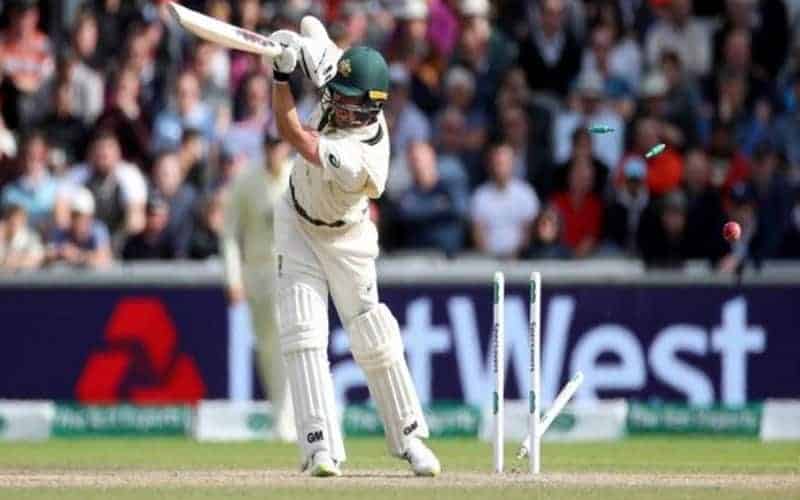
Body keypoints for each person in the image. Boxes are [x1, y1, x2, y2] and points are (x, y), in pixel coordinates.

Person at [266, 24, 440, 477]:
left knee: (372, 333)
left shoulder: (363, 157)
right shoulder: (344, 85)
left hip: (347, 238)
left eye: (349, 101)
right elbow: (313, 29)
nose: (337, 106)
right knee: (303, 332)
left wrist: (281, 77)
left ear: (373, 105)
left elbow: (291, 132)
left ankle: (410, 439)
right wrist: (299, 46)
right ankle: (319, 448)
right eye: (337, 95)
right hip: (296, 223)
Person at [221, 134, 295, 442]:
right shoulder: (245, 180)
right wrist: (233, 278)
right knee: (267, 346)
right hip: (257, 273)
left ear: (286, 147)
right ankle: (280, 415)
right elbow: (229, 233)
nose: (273, 151)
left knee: (288, 338)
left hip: (291, 268)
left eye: (278, 145)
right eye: (269, 145)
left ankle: (288, 420)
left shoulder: (297, 175)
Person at [46, 186, 112, 268]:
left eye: (82, 216)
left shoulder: (98, 230)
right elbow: (48, 254)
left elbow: (104, 258)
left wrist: (78, 255)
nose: (78, 220)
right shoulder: (61, 231)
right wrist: (60, 252)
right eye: (75, 215)